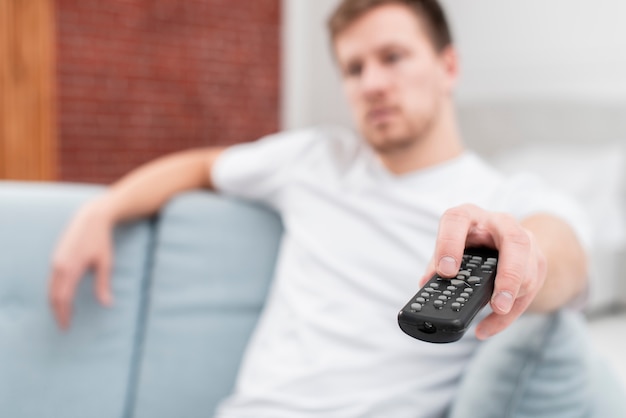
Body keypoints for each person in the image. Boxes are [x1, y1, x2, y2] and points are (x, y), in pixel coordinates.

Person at [49, 0, 592, 417]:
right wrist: (103, 210)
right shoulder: (312, 160)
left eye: (393, 57)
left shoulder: (507, 200)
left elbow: (560, 253)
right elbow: (199, 166)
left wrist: (526, 256)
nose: (373, 83)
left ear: (448, 66)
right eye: (353, 69)